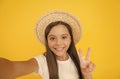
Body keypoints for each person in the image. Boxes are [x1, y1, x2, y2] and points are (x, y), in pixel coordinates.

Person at [0, 10, 95, 79]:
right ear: (47, 41)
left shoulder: (78, 58)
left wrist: (87, 74)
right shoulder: (41, 61)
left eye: (64, 37)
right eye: (52, 38)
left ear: (71, 38)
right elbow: (12, 68)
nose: (58, 43)